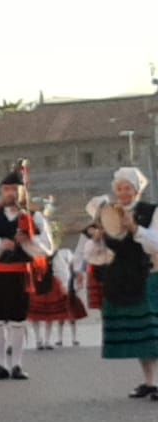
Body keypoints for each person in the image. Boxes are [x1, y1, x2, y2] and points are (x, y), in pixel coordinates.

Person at [83, 168, 158, 395]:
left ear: (137, 190)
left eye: (128, 188)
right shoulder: (108, 214)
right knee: (141, 337)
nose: (123, 193)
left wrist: (135, 228)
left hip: (148, 276)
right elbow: (94, 256)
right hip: (121, 277)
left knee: (153, 333)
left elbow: (155, 244)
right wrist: (98, 240)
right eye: (119, 188)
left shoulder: (151, 211)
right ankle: (150, 382)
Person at [0, 169, 53, 380]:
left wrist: (28, 241)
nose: (10, 193)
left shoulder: (34, 217)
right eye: (6, 189)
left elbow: (47, 247)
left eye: (14, 189)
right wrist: (0, 244)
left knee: (18, 321)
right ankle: (0, 364)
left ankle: (17, 364)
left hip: (21, 273)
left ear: (23, 191)